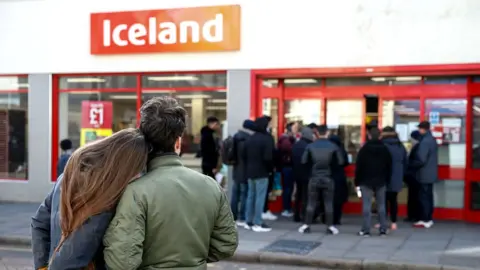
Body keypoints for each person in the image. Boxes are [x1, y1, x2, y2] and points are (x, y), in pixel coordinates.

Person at [103, 97, 238, 269]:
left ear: (144, 142)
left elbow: (122, 261)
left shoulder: (136, 192)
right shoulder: (210, 186)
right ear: (178, 142)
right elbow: (226, 245)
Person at [31, 128, 149, 270]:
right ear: (126, 167)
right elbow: (68, 261)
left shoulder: (67, 177)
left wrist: (42, 266)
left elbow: (39, 223)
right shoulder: (103, 197)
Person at [298, 125, 344, 235]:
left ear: (317, 133)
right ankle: (330, 226)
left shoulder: (310, 146)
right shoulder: (333, 146)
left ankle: (306, 225)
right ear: (327, 133)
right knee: (328, 203)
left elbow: (303, 161)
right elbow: (341, 162)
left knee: (311, 202)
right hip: (328, 177)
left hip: (314, 177)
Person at [355, 128, 392, 237]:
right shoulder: (385, 149)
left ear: (369, 136)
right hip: (381, 180)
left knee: (366, 206)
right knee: (381, 206)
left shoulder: (364, 149)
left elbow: (359, 167)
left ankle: (366, 230)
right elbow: (390, 166)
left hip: (366, 180)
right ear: (380, 136)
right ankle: (383, 229)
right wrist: (387, 180)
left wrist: (357, 181)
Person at [244, 116, 275, 232]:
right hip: (262, 171)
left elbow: (244, 155)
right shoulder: (267, 139)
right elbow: (268, 157)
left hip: (250, 171)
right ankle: (258, 222)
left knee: (250, 196)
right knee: (260, 197)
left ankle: (248, 221)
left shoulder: (250, 139)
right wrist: (271, 169)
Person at [380, 127, 407, 230]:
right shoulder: (400, 146)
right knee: (393, 200)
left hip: (384, 176)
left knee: (382, 200)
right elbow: (405, 162)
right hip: (396, 176)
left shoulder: (382, 145)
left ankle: (382, 221)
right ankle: (394, 222)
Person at [231, 119, 256, 227]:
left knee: (235, 194)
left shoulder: (235, 137)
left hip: (236, 170)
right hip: (245, 171)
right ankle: (242, 216)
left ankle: (233, 216)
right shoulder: (249, 139)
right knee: (244, 194)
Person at [414, 121, 438, 228]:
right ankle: (429, 218)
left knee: (424, 197)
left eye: (420, 128)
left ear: (423, 129)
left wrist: (412, 165)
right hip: (431, 173)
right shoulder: (432, 140)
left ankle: (425, 219)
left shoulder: (425, 142)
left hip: (424, 173)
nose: (419, 130)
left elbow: (421, 159)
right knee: (429, 196)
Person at [292, 127, 315, 222]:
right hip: (307, 173)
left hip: (297, 173)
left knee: (298, 194)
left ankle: (296, 214)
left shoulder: (296, 145)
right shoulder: (309, 146)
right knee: (306, 195)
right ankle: (305, 215)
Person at [328, 134, 350, 226]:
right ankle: (337, 219)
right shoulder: (342, 150)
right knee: (338, 200)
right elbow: (345, 163)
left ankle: (329, 218)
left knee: (329, 199)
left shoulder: (328, 150)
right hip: (340, 177)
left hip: (329, 176)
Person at [278, 122, 296, 218]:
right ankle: (286, 208)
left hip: (288, 167)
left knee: (289, 188)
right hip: (287, 167)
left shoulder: (288, 139)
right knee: (288, 188)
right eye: (295, 127)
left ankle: (287, 208)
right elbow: (290, 151)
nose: (296, 129)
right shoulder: (286, 140)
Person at [405, 130, 422, 222]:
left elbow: (417, 162)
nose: (410, 140)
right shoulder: (415, 147)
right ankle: (412, 215)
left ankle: (413, 215)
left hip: (414, 176)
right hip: (413, 176)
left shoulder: (417, 148)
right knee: (413, 196)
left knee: (414, 197)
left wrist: (408, 163)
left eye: (411, 138)